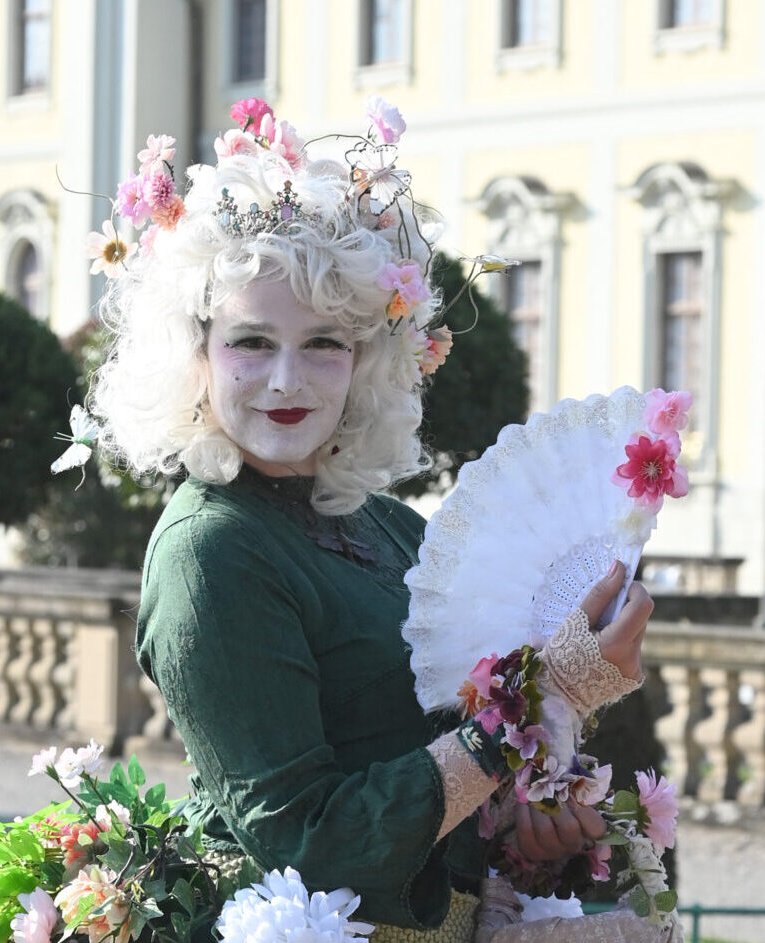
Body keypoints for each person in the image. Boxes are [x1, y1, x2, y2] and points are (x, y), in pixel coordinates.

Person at [85, 99, 656, 943]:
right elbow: (307, 847)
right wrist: (540, 700)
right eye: (250, 341)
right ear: (194, 354)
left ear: (368, 361)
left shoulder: (384, 523)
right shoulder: (210, 550)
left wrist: (530, 829)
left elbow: (448, 778)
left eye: (324, 343)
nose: (287, 380)